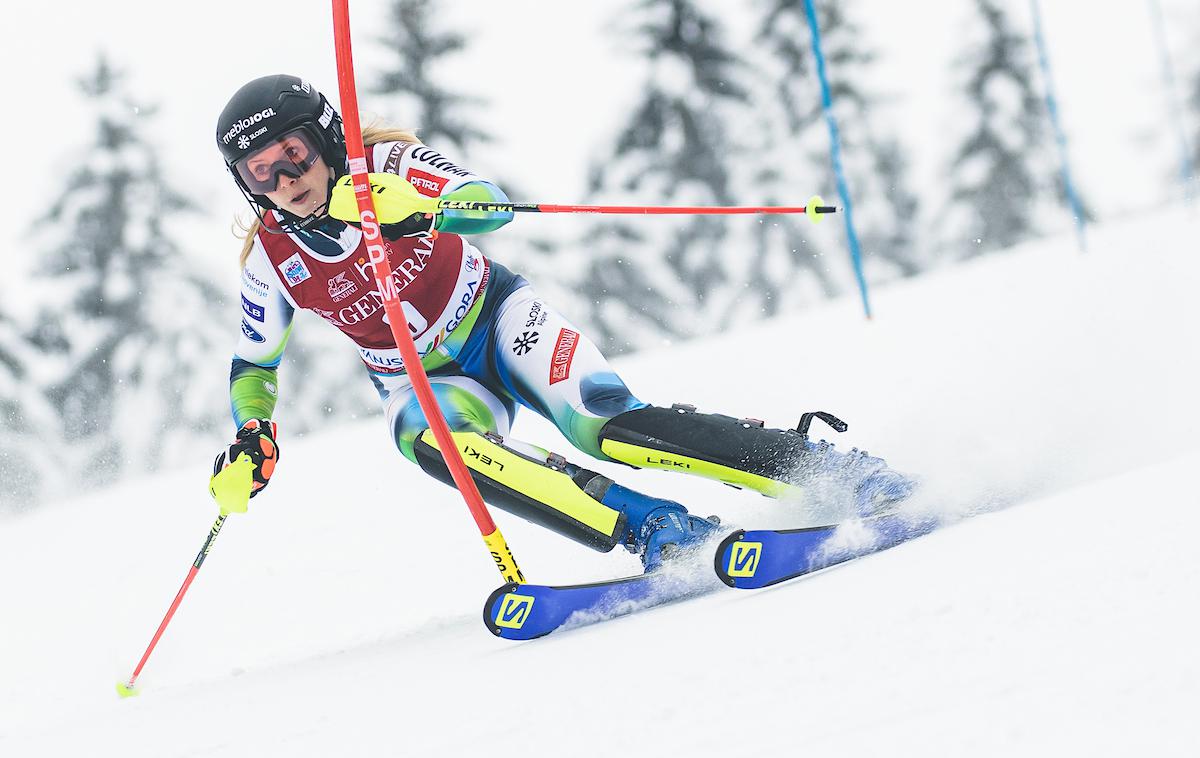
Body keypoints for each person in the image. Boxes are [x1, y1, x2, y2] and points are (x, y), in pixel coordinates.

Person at [212, 74, 913, 572]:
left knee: (602, 424)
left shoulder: (386, 166)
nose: (285, 182)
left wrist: (417, 208)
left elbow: (487, 203)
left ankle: (824, 470)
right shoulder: (271, 261)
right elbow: (255, 367)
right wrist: (253, 435)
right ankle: (658, 528)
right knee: (438, 447)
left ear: (326, 138)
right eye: (260, 173)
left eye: (294, 155)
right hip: (423, 380)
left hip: (496, 319)